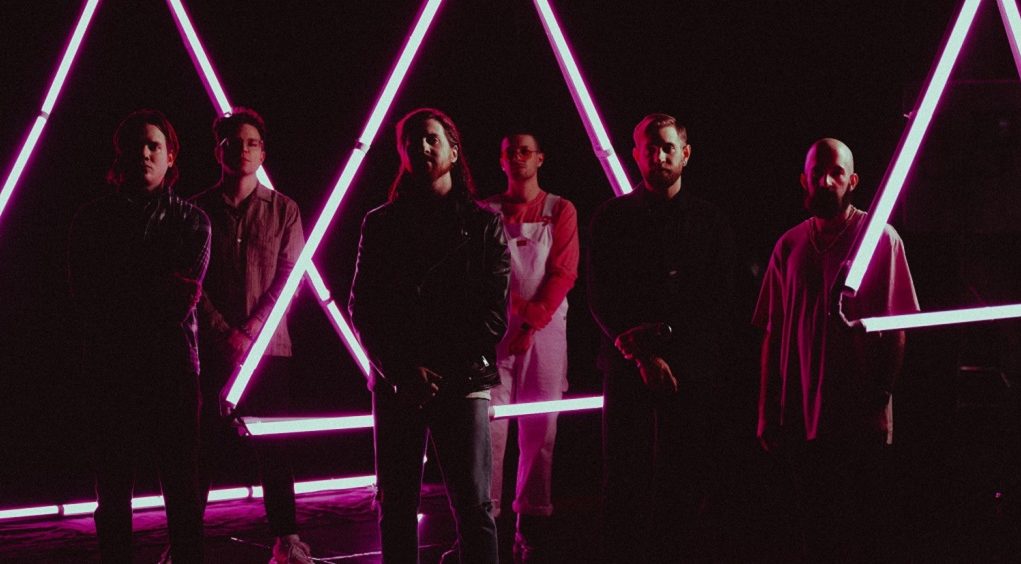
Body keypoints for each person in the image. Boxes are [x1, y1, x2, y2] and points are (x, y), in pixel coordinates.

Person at [348, 107, 509, 563]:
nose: (420, 147)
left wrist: (423, 370)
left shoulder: (484, 225)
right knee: (398, 504)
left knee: (473, 506)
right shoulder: (381, 223)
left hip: (454, 379)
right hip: (403, 382)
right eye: (411, 141)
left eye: (431, 139)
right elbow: (363, 306)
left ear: (454, 151)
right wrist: (402, 371)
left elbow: (493, 314)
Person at [754, 138, 919, 561]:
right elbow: (773, 330)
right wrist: (767, 409)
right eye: (817, 174)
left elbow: (897, 327)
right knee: (813, 528)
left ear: (853, 181)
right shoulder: (789, 245)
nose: (826, 182)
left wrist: (879, 397)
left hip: (857, 416)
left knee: (862, 528)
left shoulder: (880, 240)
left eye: (836, 173)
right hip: (800, 416)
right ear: (803, 180)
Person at [587, 113, 736, 563]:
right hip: (629, 366)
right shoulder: (612, 218)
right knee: (623, 478)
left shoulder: (709, 221)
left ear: (685, 154)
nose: (659, 156)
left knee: (684, 478)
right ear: (636, 155)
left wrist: (671, 350)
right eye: (649, 148)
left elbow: (720, 296)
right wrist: (643, 356)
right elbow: (601, 295)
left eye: (668, 147)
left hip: (689, 369)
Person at [68, 109, 210, 563]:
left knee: (182, 491)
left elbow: (178, 298)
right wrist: (150, 283)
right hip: (113, 371)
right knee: (113, 494)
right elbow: (87, 297)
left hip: (169, 371)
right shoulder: (91, 219)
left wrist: (123, 286)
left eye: (154, 145)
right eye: (137, 145)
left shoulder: (193, 220)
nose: (145, 153)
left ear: (171, 157)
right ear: (121, 155)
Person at [190, 108, 312, 564]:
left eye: (251, 142)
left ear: (263, 152)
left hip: (269, 350)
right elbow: (190, 281)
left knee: (275, 449)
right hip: (209, 349)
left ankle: (286, 539)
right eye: (233, 142)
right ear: (218, 150)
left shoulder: (285, 209)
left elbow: (289, 277)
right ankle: (184, 540)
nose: (242, 150)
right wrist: (224, 333)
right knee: (199, 448)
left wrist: (251, 332)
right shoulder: (196, 210)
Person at [483, 131, 578, 561]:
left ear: (540, 158)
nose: (518, 157)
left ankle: (532, 527)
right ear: (501, 160)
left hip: (546, 331)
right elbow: (484, 272)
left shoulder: (560, 209)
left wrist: (531, 321)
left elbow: (564, 272)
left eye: (526, 151)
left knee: (541, 428)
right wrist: (517, 315)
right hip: (495, 330)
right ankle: (484, 524)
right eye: (510, 151)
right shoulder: (485, 211)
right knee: (489, 428)